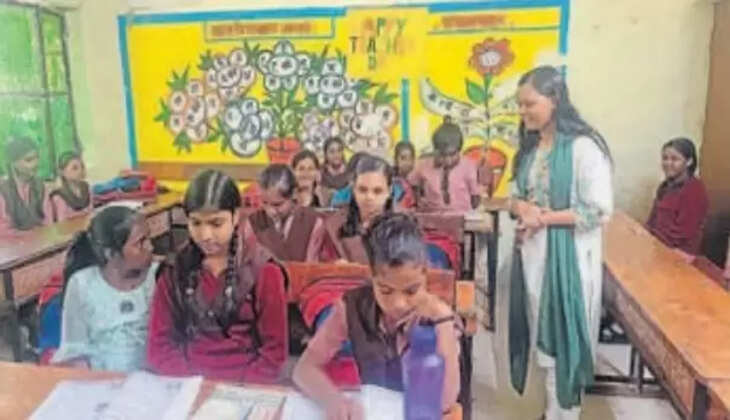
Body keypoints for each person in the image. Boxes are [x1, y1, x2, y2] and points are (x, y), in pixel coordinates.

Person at [508, 66, 613, 420]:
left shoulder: (584, 148)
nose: (522, 111)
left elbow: (598, 211)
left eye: (529, 104)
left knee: (564, 340)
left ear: (554, 99)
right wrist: (521, 208)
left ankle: (564, 413)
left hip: (569, 260)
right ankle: (552, 411)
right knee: (543, 340)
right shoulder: (531, 147)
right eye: (519, 105)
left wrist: (544, 218)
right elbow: (514, 193)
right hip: (534, 258)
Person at [293, 213, 461, 419]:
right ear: (372, 278)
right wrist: (333, 400)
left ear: (425, 275)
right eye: (386, 291)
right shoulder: (353, 307)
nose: (398, 304)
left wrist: (444, 322)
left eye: (411, 291)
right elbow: (304, 369)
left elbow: (445, 401)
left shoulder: (437, 319)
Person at [147, 169, 288, 383]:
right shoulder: (175, 270)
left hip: (246, 384)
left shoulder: (263, 270)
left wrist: (241, 389)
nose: (205, 236)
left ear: (236, 216)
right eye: (196, 223)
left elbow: (274, 353)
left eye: (216, 224)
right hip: (187, 383)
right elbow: (160, 346)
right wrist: (191, 386)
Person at [52, 205, 156, 372]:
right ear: (111, 254)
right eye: (140, 243)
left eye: (149, 238)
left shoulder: (157, 276)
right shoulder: (82, 284)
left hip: (152, 378)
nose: (150, 247)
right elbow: (75, 350)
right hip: (100, 379)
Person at [242, 164, 326, 262]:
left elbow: (312, 265)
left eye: (277, 205)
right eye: (264, 203)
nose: (270, 211)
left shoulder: (313, 222)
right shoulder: (253, 222)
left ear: (294, 194)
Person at [323, 155, 394, 265]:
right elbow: (323, 264)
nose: (369, 197)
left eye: (377, 191)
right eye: (363, 190)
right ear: (353, 189)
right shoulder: (335, 225)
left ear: (389, 191)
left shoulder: (405, 226)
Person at [646, 138, 709, 261]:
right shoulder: (665, 186)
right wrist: (646, 234)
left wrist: (656, 245)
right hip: (659, 245)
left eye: (675, 159)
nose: (668, 163)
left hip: (681, 253)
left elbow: (684, 233)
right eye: (665, 158)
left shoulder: (694, 190)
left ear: (689, 161)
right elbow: (653, 219)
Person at [408, 117, 480, 212]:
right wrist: (419, 201)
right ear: (436, 151)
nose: (448, 160)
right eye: (443, 155)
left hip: (461, 216)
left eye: (452, 154)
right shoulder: (424, 164)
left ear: (459, 150)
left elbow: (475, 199)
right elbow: (412, 183)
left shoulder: (468, 166)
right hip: (432, 216)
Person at [0, 136, 53, 235]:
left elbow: (48, 221)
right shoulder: (3, 190)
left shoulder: (41, 186)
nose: (35, 164)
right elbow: (3, 230)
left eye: (37, 158)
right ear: (14, 163)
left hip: (41, 240)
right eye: (29, 160)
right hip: (12, 243)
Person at [50, 151, 93, 222]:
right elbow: (62, 223)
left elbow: (91, 213)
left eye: (81, 167)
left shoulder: (86, 187)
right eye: (74, 168)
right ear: (62, 172)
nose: (80, 171)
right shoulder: (58, 196)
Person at [393, 141, 416, 209]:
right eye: (403, 158)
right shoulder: (395, 182)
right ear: (395, 160)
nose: (407, 162)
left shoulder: (415, 181)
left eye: (410, 158)